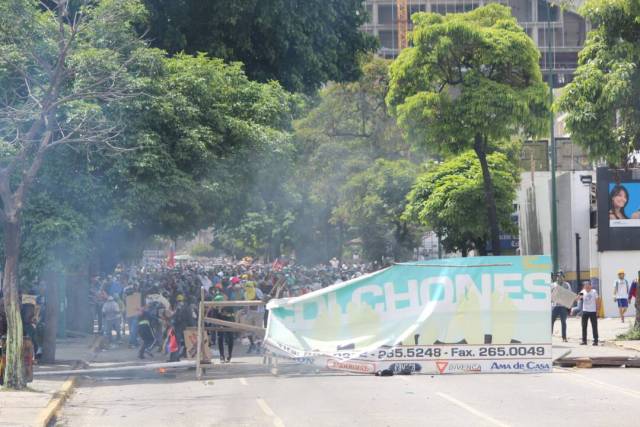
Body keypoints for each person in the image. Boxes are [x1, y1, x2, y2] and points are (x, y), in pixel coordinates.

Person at [551, 271, 570, 342]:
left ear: (563, 277)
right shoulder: (553, 285)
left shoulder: (567, 285)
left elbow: (569, 294)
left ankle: (564, 337)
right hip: (555, 306)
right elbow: (550, 294)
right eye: (558, 276)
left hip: (563, 306)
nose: (559, 277)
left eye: (561, 276)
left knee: (563, 322)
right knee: (551, 321)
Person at [578, 281, 599, 346]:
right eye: (585, 286)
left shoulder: (594, 292)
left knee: (594, 326)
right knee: (584, 327)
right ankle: (584, 341)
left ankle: (595, 341)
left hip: (593, 311)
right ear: (584, 287)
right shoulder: (583, 292)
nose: (587, 287)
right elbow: (578, 298)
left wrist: (597, 311)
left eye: (588, 286)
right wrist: (578, 296)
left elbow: (597, 301)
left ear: (590, 286)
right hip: (585, 311)